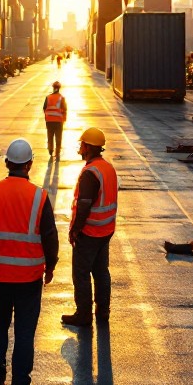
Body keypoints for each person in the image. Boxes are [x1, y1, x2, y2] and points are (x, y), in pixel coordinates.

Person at [0, 138, 58, 385]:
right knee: (24, 331)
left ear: (7, 163)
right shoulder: (39, 196)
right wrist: (51, 265)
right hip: (29, 278)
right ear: (29, 164)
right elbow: (50, 236)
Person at [61, 128, 117, 328]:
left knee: (81, 273)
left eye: (82, 144)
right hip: (106, 230)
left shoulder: (90, 173)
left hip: (90, 232)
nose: (80, 147)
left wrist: (75, 229)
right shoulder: (107, 168)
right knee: (101, 271)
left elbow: (84, 204)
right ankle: (103, 311)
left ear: (88, 147)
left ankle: (83, 315)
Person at [42, 80, 68, 159]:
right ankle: (58, 151)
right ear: (59, 88)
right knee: (58, 137)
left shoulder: (48, 97)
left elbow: (44, 108)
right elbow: (65, 109)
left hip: (49, 121)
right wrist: (64, 119)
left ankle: (50, 150)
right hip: (58, 121)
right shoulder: (62, 98)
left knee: (50, 136)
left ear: (53, 88)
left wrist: (48, 115)